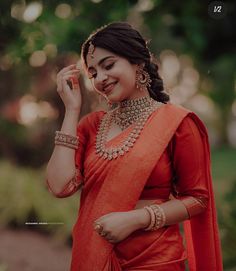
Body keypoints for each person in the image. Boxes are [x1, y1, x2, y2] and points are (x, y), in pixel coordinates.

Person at [46, 22, 223, 271]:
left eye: (108, 65)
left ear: (137, 63)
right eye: (93, 73)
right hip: (95, 257)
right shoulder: (92, 125)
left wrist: (138, 219)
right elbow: (59, 185)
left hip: (154, 259)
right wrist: (71, 110)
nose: (101, 78)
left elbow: (198, 198)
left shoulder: (177, 124)